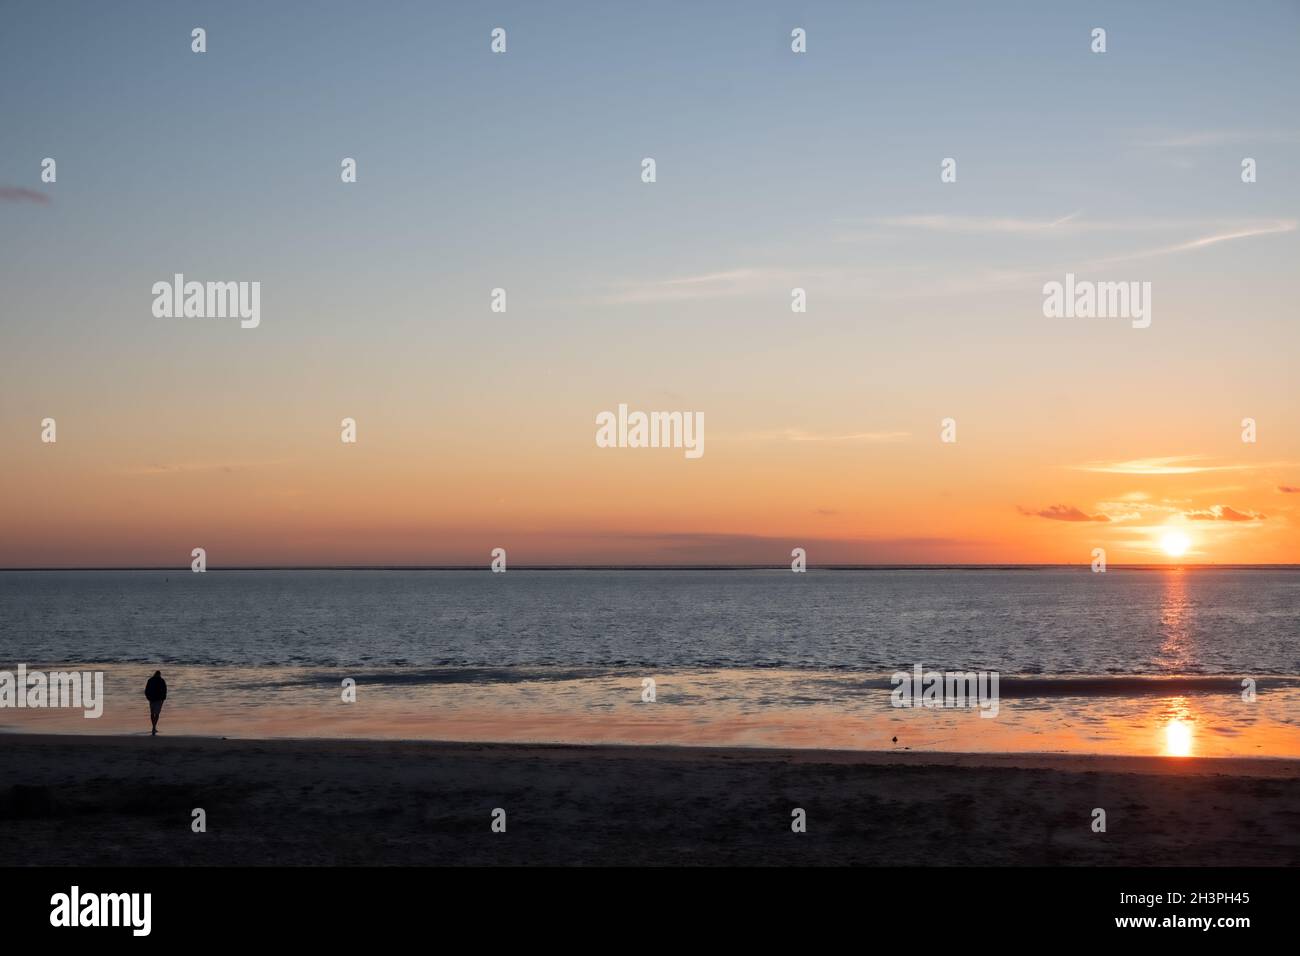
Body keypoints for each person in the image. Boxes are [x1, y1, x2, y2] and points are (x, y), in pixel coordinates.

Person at [144, 670, 167, 736]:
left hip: (153, 699)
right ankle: (154, 727)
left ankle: (154, 726)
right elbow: (164, 690)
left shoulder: (151, 680)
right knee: (155, 713)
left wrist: (148, 697)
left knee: (153, 713)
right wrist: (163, 698)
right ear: (159, 674)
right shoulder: (161, 680)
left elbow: (146, 690)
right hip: (157, 699)